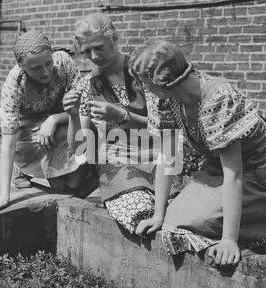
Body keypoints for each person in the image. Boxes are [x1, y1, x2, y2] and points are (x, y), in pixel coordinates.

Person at [129, 39, 266, 266]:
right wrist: (158, 214)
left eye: (143, 81)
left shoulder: (217, 97)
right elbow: (167, 157)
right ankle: (246, 225)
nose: (142, 87)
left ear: (160, 81)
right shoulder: (167, 101)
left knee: (195, 221)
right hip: (221, 169)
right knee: (172, 219)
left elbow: (234, 174)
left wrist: (229, 240)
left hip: (264, 170)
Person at [68, 13, 182, 234]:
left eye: (99, 47)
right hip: (118, 164)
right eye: (86, 51)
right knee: (138, 212)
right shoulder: (86, 85)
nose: (93, 56)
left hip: (159, 156)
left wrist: (123, 117)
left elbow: (169, 131)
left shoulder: (142, 73)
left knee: (178, 211)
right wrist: (73, 116)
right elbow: (81, 148)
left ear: (115, 38)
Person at [0, 30, 92, 214]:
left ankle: (71, 186)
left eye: (48, 63)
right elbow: (8, 144)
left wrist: (54, 119)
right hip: (25, 128)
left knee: (85, 129)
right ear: (21, 66)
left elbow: (83, 106)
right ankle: (22, 167)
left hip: (58, 117)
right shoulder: (14, 84)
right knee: (54, 172)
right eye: (35, 68)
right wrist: (4, 196)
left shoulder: (64, 62)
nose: (45, 72)